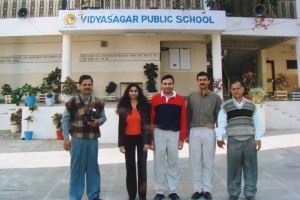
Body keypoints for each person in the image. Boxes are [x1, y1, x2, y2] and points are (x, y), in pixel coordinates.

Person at [215, 81, 263, 200]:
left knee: (251, 167)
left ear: (242, 90)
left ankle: (250, 193)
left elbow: (257, 123)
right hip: (234, 141)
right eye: (233, 89)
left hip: (250, 141)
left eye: (238, 88)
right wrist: (219, 138)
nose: (235, 91)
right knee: (233, 168)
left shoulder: (251, 105)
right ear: (231, 91)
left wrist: (258, 138)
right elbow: (221, 123)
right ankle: (233, 193)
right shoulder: (226, 106)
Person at [62, 75, 106, 200]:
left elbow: (103, 117)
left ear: (92, 85)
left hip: (92, 140)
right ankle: (75, 196)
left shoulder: (98, 102)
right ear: (79, 86)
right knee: (77, 169)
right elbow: (65, 120)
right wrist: (66, 139)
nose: (87, 87)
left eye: (89, 85)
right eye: (84, 85)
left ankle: (94, 196)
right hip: (77, 140)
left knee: (93, 168)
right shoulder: (72, 102)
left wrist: (97, 121)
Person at [150, 74, 187, 200]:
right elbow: (151, 119)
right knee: (158, 163)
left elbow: (183, 120)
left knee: (173, 163)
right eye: (165, 84)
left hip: (174, 134)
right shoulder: (154, 99)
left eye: (169, 83)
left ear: (173, 84)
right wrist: (151, 139)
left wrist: (181, 139)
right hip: (158, 133)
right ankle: (160, 191)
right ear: (161, 85)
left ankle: (173, 191)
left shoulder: (180, 99)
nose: (167, 86)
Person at [186, 71, 222, 200]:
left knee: (208, 161)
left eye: (204, 80)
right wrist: (186, 133)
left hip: (209, 131)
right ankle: (197, 189)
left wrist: (220, 136)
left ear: (209, 81)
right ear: (197, 81)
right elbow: (187, 115)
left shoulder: (216, 98)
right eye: (200, 80)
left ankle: (207, 189)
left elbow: (220, 118)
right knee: (195, 161)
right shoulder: (191, 97)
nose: (202, 82)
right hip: (194, 130)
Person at [117, 83, 151, 200]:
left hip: (141, 139)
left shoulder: (145, 106)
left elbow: (147, 125)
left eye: (135, 91)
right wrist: (121, 143)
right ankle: (132, 195)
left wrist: (147, 142)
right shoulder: (123, 106)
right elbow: (121, 126)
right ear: (128, 92)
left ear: (139, 92)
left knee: (142, 168)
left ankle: (142, 196)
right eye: (131, 91)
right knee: (130, 167)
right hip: (128, 140)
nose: (133, 93)